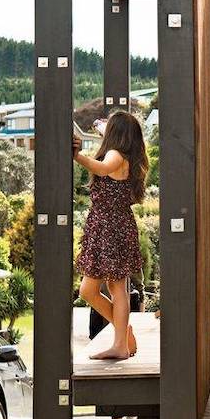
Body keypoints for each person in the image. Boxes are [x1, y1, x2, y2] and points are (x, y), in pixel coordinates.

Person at [74, 111, 148, 360]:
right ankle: (123, 334)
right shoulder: (128, 155)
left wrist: (77, 156)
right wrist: (101, 125)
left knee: (114, 287)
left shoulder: (115, 156)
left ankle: (120, 344)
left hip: (110, 227)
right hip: (112, 225)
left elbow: (103, 168)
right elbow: (102, 127)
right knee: (90, 290)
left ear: (116, 134)